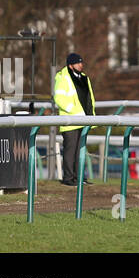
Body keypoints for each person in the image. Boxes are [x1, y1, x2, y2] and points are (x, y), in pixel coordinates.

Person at [52, 52, 95, 186]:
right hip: (70, 121)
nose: (81, 65)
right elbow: (58, 98)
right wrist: (74, 110)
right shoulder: (63, 78)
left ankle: (79, 176)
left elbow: (89, 98)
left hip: (84, 120)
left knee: (80, 150)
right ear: (71, 65)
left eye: (81, 62)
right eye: (78, 63)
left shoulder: (84, 78)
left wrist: (90, 115)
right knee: (71, 150)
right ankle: (69, 178)